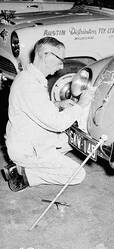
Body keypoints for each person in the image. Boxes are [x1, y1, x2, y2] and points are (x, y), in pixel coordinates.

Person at [2, 36, 95, 192]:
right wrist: (81, 105)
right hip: (28, 149)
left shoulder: (29, 77)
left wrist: (57, 104)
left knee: (71, 139)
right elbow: (57, 123)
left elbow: (32, 107)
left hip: (30, 138)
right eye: (60, 60)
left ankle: (35, 164)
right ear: (45, 55)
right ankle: (23, 173)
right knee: (77, 174)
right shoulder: (30, 85)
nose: (61, 66)